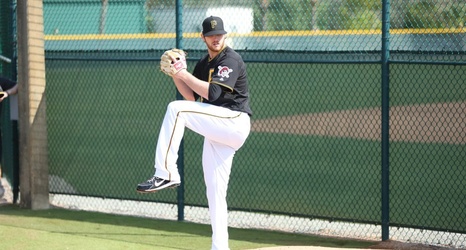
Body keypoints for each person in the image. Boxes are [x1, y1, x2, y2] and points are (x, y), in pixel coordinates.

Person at [137, 16, 252, 250]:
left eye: (219, 34)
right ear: (203, 37)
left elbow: (214, 94)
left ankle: (167, 173)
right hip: (217, 130)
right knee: (215, 191)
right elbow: (191, 98)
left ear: (225, 35)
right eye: (211, 35)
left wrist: (183, 73)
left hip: (234, 121)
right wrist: (176, 74)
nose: (216, 38)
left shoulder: (230, 58)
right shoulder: (203, 64)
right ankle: (220, 247)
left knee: (175, 109)